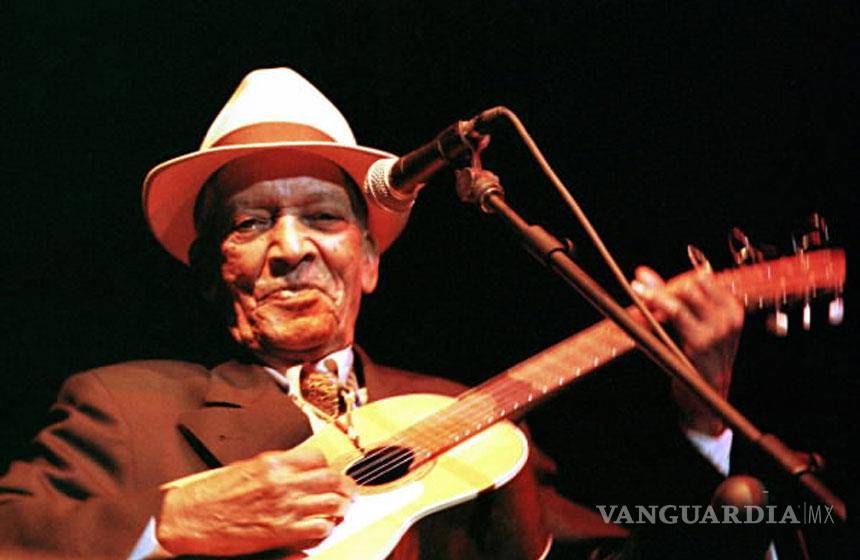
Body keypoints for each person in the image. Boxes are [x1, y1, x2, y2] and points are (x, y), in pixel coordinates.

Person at [0, 67, 748, 559]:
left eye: (323, 218)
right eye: (251, 224)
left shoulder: (468, 414)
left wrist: (704, 420)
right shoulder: (126, 408)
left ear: (369, 260)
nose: (291, 249)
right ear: (211, 273)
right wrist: (167, 524)